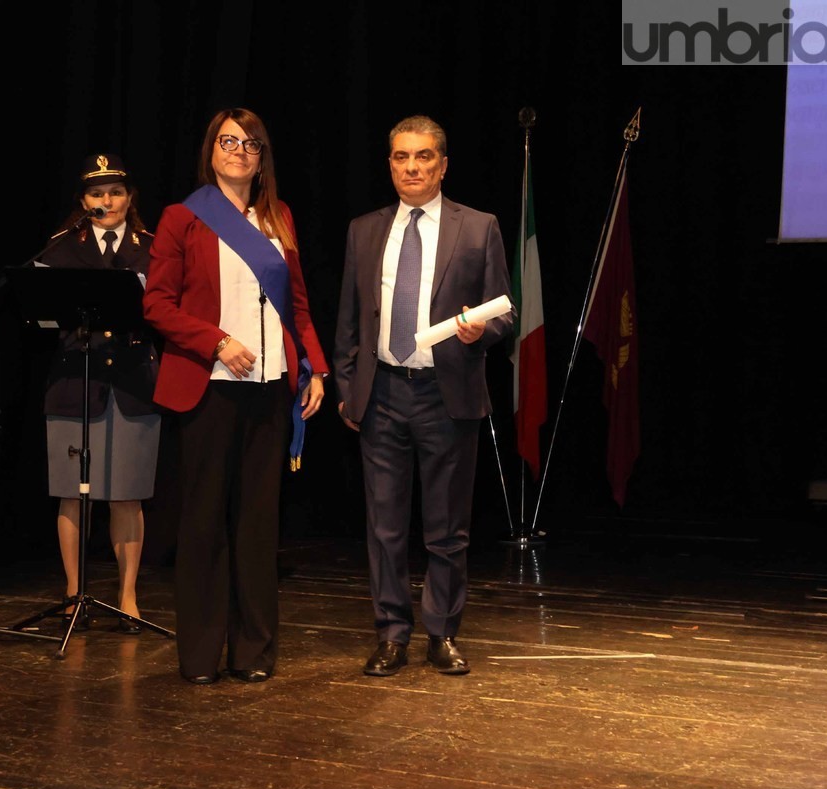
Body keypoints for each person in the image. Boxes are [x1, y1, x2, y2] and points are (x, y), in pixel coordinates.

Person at [144, 108, 329, 685]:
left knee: (257, 526)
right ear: (212, 150)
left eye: (250, 143)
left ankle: (253, 653)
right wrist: (217, 341)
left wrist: (316, 370)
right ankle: (200, 657)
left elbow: (297, 305)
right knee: (202, 524)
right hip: (209, 391)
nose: (239, 150)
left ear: (262, 154)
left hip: (271, 391)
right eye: (229, 141)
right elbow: (156, 304)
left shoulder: (280, 218)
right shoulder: (183, 218)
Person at [334, 115, 513, 677]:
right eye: (401, 158)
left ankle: (442, 632)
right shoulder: (364, 229)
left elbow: (505, 315)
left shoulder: (479, 227)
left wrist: (481, 331)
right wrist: (346, 390)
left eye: (423, 157)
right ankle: (391, 634)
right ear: (390, 163)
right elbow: (348, 322)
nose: (411, 168)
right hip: (382, 393)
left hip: (447, 395)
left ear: (442, 164)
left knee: (446, 527)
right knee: (384, 527)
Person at [41, 154, 159, 633]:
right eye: (96, 193)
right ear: (83, 201)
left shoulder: (153, 248)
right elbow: (40, 313)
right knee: (72, 495)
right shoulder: (60, 248)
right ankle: (73, 593)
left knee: (126, 497)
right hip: (74, 382)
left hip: (133, 384)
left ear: (130, 199)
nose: (106, 201)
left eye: (115, 192)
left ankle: (127, 596)